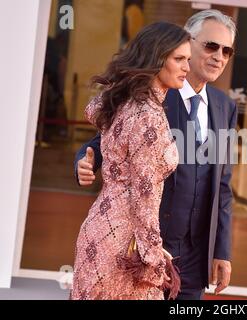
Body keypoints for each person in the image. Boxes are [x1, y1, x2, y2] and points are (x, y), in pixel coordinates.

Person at [74, 9, 237, 300]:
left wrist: (221, 250)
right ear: (187, 41)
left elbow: (222, 186)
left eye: (227, 50)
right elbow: (106, 140)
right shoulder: (154, 92)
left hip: (195, 253)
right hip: (141, 247)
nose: (219, 56)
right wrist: (84, 162)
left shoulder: (225, 107)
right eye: (211, 46)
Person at [70, 22, 191, 300]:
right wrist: (152, 257)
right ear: (156, 58)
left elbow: (94, 109)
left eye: (188, 59)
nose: (187, 67)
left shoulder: (124, 102)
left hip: (99, 227)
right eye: (179, 59)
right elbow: (144, 194)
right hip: (122, 245)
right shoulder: (149, 116)